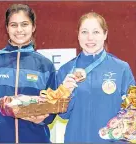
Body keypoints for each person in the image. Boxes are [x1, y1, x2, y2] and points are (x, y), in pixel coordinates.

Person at [0, 4, 57, 143]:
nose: (19, 30)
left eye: (24, 24)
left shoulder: (45, 65)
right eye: (14, 25)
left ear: (33, 27)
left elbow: (52, 108)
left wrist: (43, 117)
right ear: (7, 28)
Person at [57, 12, 136, 142]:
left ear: (105, 34)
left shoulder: (121, 68)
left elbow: (132, 110)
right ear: (78, 35)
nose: (90, 38)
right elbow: (63, 115)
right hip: (77, 139)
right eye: (84, 32)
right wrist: (65, 93)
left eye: (96, 32)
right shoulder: (66, 70)